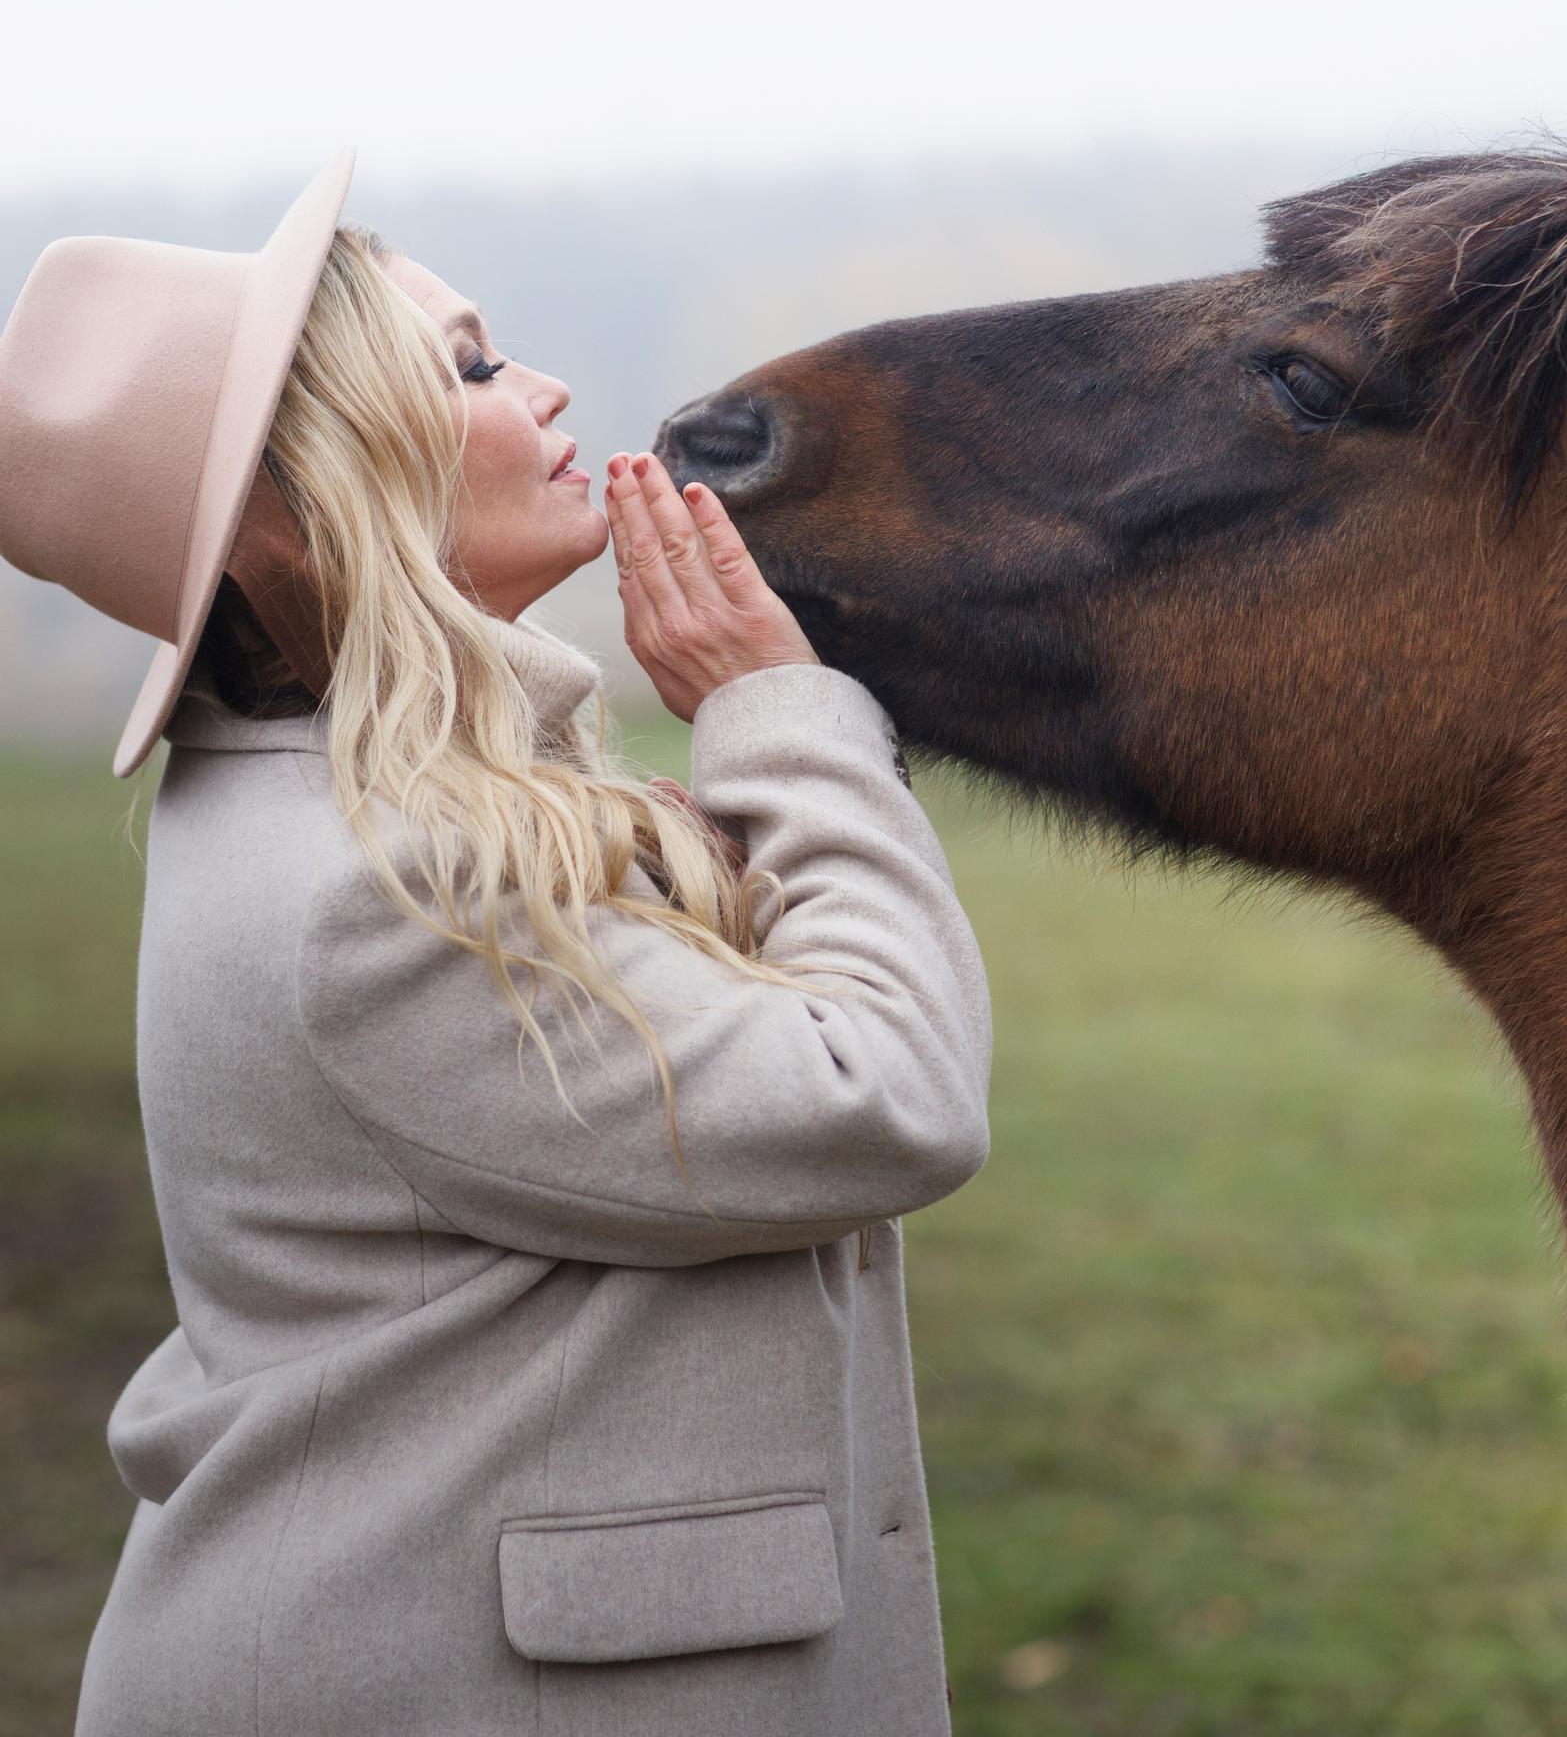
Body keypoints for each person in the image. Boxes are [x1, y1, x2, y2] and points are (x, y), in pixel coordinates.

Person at [0, 151, 992, 1737]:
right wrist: (777, 716)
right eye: (464, 367)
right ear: (307, 502)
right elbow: (882, 1094)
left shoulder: (359, 808)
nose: (541, 386)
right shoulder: (388, 885)